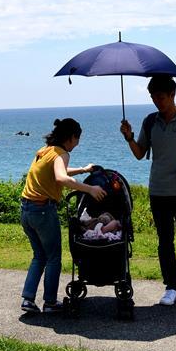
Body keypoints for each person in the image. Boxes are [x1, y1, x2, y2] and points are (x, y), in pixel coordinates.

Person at [120, 75, 176, 306]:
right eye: (153, 97)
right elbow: (140, 153)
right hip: (158, 190)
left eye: (161, 97)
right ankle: (171, 287)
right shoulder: (150, 122)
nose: (157, 101)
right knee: (164, 240)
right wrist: (128, 137)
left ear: (172, 95)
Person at [20, 118, 107, 314]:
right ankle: (50, 302)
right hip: (43, 211)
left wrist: (83, 169)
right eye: (77, 139)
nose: (78, 143)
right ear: (71, 137)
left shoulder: (45, 151)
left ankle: (28, 299)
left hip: (26, 210)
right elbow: (61, 177)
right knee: (53, 258)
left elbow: (57, 172)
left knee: (39, 256)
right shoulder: (62, 153)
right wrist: (90, 188)